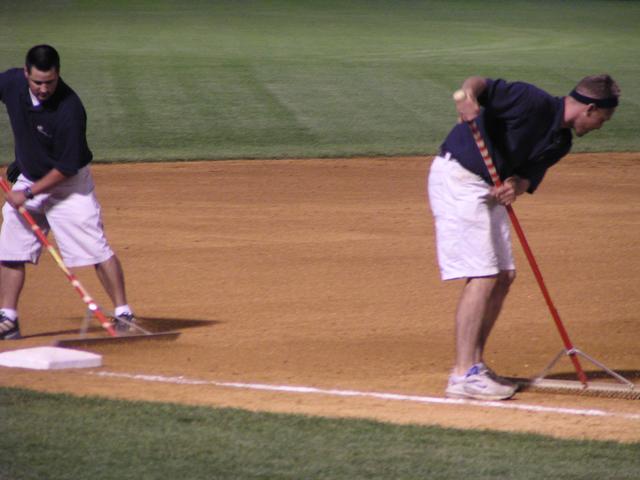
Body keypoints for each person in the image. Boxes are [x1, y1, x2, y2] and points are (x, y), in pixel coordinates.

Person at [428, 75, 620, 400]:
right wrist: (468, 97)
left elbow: (525, 178)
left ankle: (475, 364)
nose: (601, 125)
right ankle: (462, 374)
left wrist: (514, 186)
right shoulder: (530, 100)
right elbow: (478, 83)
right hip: (460, 178)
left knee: (504, 275)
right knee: (484, 274)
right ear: (590, 108)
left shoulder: (560, 142)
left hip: (488, 190)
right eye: (603, 118)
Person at [0, 44, 137, 339]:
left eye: (49, 82)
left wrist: (28, 193)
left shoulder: (70, 109)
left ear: (58, 75)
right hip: (30, 177)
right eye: (37, 82)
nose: (44, 89)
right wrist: (25, 169)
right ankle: (8, 319)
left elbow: (65, 168)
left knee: (95, 248)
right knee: (11, 247)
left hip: (68, 187)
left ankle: (124, 313)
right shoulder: (11, 83)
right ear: (25, 74)